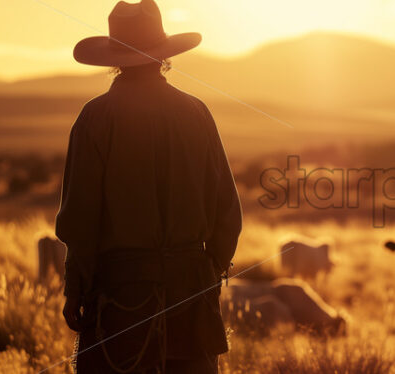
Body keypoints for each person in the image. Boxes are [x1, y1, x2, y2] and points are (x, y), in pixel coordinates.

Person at [56, 1, 242, 372]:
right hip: (191, 304)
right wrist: (205, 275)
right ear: (163, 55)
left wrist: (77, 289)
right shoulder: (197, 113)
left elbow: (80, 220)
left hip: (119, 305)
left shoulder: (95, 118)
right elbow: (227, 213)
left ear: (114, 58)